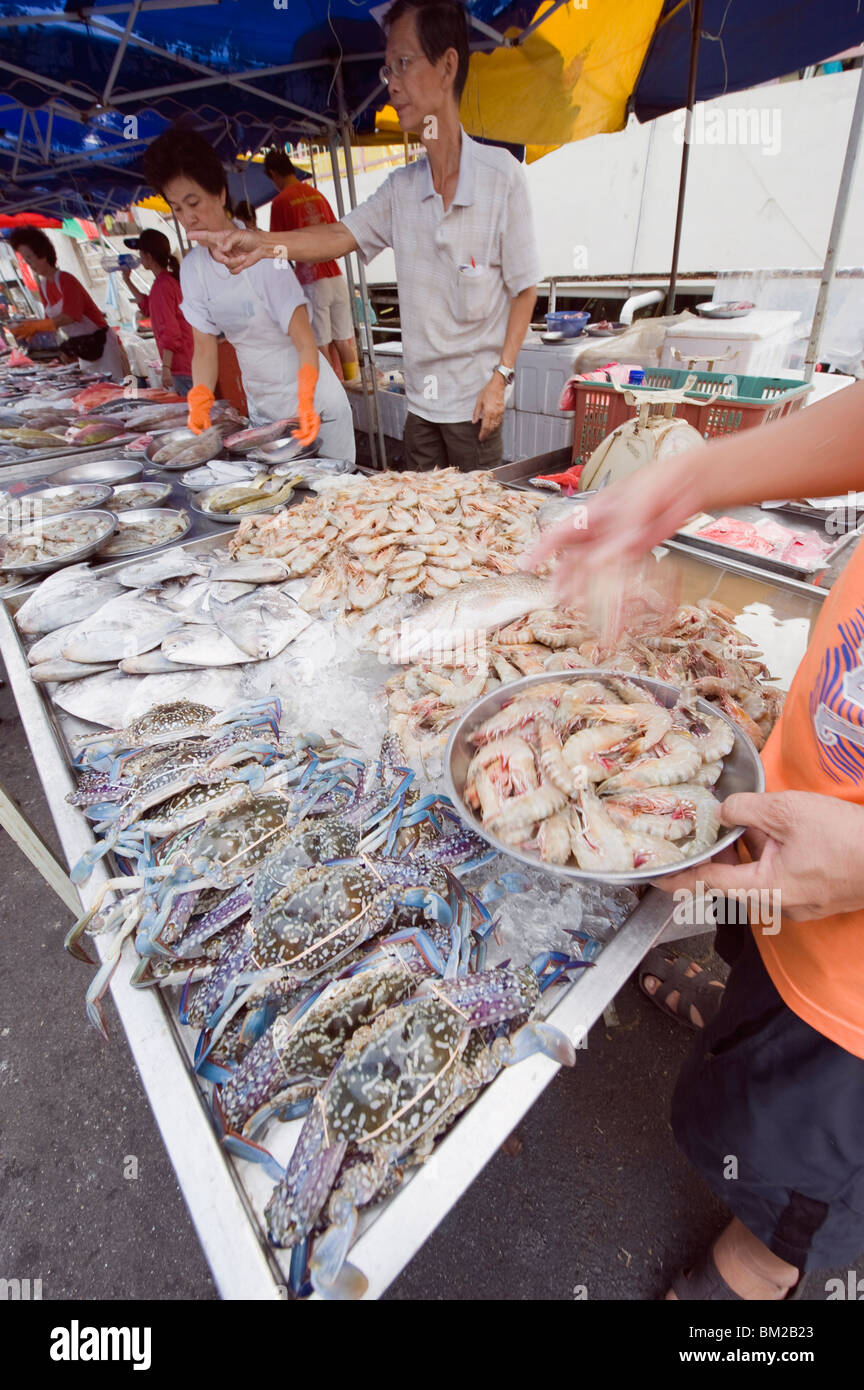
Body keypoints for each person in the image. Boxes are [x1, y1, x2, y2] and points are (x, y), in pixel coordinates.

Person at [526, 382, 864, 1300]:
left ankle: (754, 1277)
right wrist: (683, 483)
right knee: (758, 971)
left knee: (792, 1178)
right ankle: (743, 1002)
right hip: (804, 832)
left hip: (859, 1011)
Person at [194, 0, 540, 473]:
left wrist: (501, 377)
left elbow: (525, 288)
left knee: (478, 534)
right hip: (421, 409)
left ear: (447, 66)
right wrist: (262, 243)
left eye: (404, 63)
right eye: (387, 69)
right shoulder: (402, 188)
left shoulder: (501, 177)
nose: (392, 83)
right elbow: (339, 234)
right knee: (416, 528)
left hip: (476, 407)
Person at [141, 128, 355, 462]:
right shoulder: (194, 268)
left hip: (313, 405)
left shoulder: (263, 254)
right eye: (177, 208)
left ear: (220, 195)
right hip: (265, 412)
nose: (188, 218)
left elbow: (303, 339)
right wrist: (199, 397)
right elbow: (205, 348)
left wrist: (306, 398)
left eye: (193, 203)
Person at [263, 149, 359, 383]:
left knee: (320, 344)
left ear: (274, 174)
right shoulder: (317, 194)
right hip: (336, 276)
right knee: (344, 340)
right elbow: (337, 233)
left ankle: (334, 392)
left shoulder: (280, 202)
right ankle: (354, 385)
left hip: (312, 281)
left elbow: (279, 249)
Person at [8, 226, 129, 381]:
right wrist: (31, 331)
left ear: (43, 255)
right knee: (97, 392)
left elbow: (70, 316)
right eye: (26, 260)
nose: (28, 264)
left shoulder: (66, 280)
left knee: (117, 388)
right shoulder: (44, 286)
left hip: (105, 347)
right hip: (84, 349)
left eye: (29, 258)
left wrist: (37, 326)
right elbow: (50, 324)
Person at [121, 228, 195, 396]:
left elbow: (170, 331)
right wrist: (127, 280)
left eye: (141, 253)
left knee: (196, 416)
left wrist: (167, 368)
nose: (139, 257)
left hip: (182, 365)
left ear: (148, 255)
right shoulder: (165, 282)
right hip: (187, 363)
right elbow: (147, 306)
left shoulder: (163, 286)